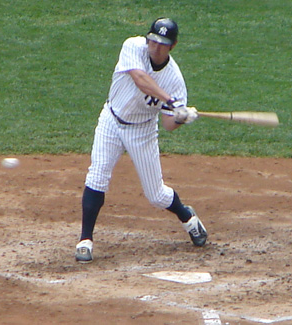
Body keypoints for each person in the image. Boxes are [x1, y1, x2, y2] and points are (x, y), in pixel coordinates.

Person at [75, 17, 208, 264]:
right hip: (111, 120)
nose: (156, 47)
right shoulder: (133, 47)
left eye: (163, 44)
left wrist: (181, 117)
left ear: (173, 46)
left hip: (142, 131)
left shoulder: (175, 80)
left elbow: (168, 125)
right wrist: (171, 102)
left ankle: (187, 217)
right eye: (153, 41)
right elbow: (140, 79)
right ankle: (85, 240)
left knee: (156, 195)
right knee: (97, 175)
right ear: (147, 38)